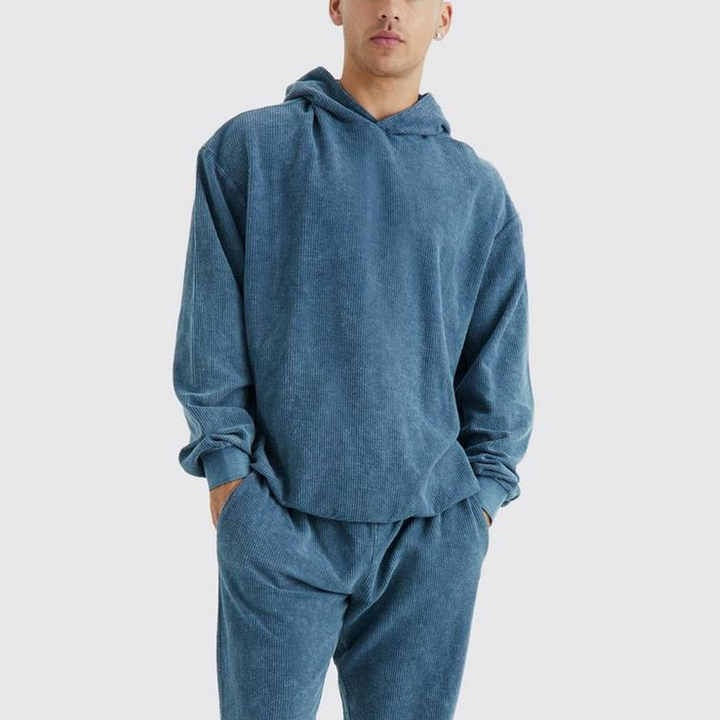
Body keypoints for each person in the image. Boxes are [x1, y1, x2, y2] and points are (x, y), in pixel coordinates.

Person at [172, 2, 534, 718]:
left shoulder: (477, 192)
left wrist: (479, 509)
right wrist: (230, 483)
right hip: (278, 528)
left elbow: (498, 371)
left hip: (428, 542)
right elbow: (209, 338)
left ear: (445, 17)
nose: (392, 8)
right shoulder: (250, 152)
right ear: (336, 5)